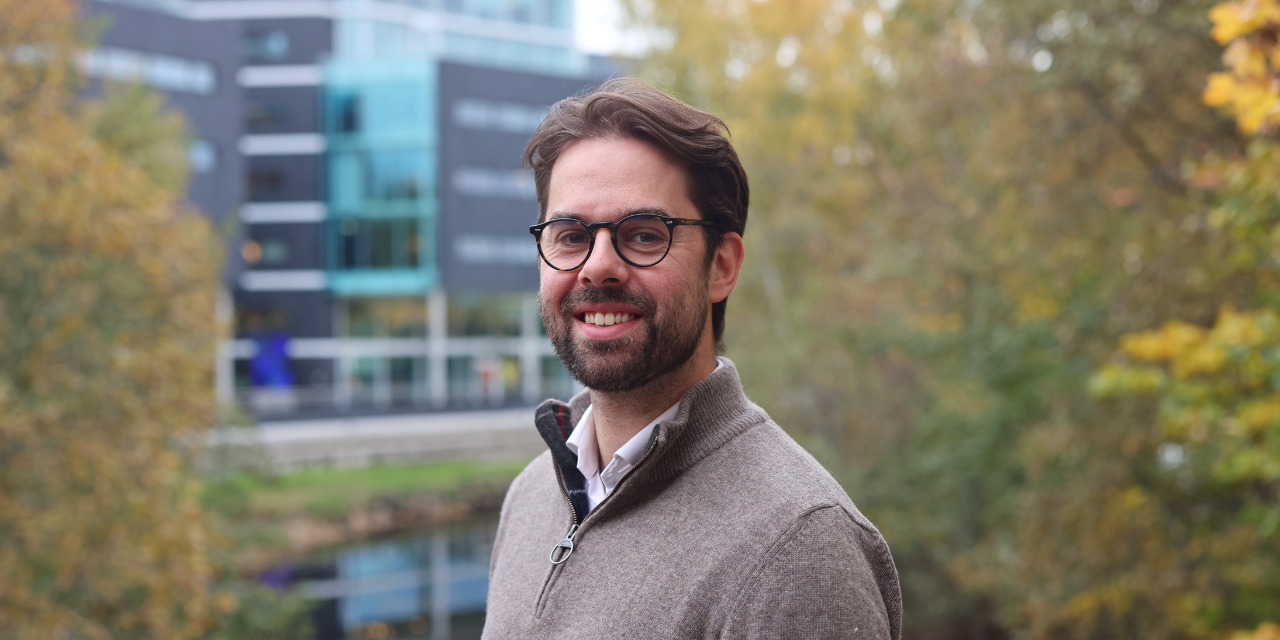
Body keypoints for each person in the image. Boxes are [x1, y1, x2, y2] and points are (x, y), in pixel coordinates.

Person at [482, 78, 902, 640]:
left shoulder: (799, 550)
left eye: (644, 234)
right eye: (569, 236)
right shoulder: (532, 497)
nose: (597, 265)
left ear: (722, 266)